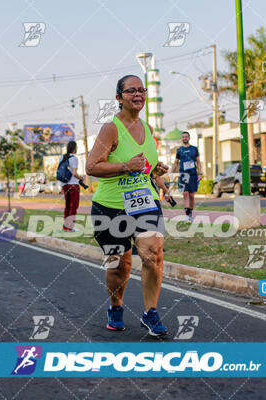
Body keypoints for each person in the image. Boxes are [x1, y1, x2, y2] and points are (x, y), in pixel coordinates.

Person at [86, 74, 170, 337]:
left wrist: (156, 171)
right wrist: (125, 167)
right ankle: (115, 307)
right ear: (119, 97)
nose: (138, 94)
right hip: (110, 206)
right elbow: (92, 167)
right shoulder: (111, 129)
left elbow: (144, 164)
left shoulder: (149, 129)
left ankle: (151, 313)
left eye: (141, 90)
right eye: (131, 90)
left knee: (153, 253)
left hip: (144, 202)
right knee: (119, 265)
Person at [173, 131, 202, 222]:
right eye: (183, 137)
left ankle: (190, 214)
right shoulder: (179, 150)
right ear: (181, 139)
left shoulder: (194, 149)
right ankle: (187, 215)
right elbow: (176, 163)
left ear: (189, 138)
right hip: (183, 175)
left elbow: (198, 162)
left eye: (186, 137)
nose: (184, 138)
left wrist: (200, 173)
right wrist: (172, 173)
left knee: (192, 195)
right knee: (185, 194)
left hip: (193, 175)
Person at [58, 141, 84, 232]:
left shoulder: (62, 157)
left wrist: (62, 186)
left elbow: (60, 172)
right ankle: (70, 227)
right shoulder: (74, 158)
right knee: (74, 206)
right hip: (73, 185)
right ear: (74, 148)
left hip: (65, 185)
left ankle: (65, 226)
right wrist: (81, 178)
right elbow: (74, 173)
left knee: (67, 206)